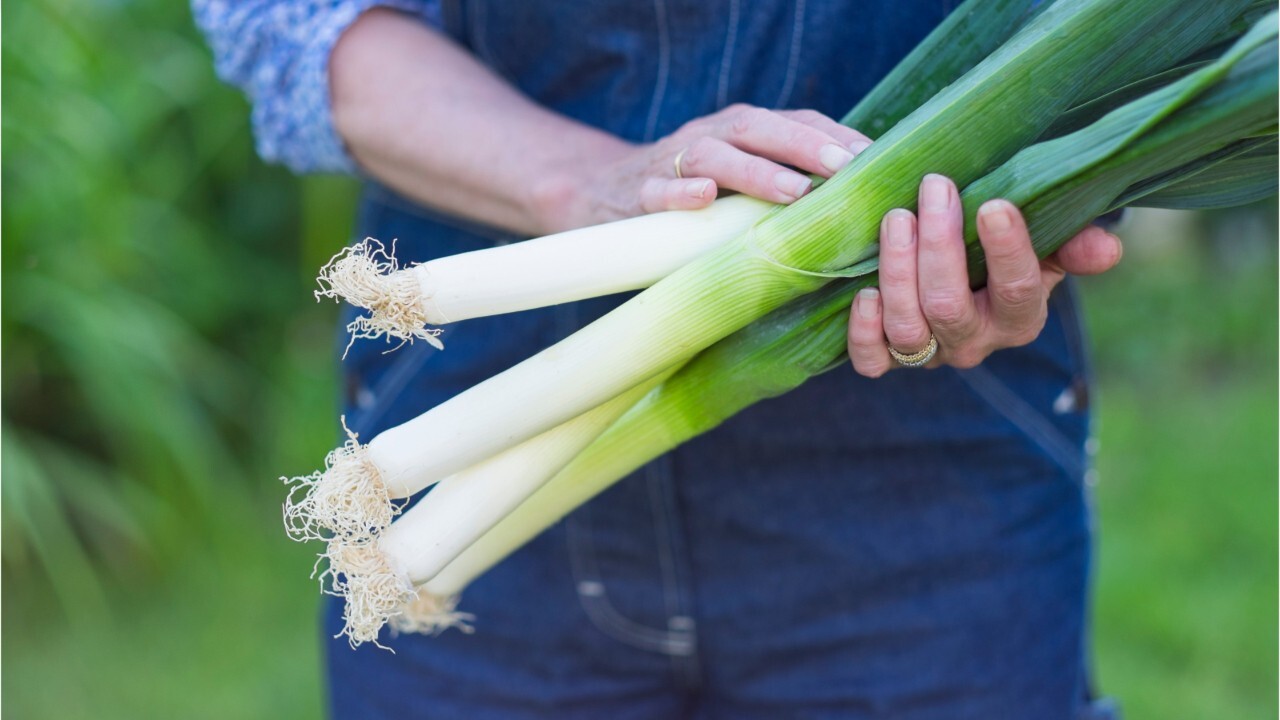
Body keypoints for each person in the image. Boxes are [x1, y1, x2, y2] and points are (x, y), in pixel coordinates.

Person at [195, 1, 1125, 717]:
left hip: (934, 463)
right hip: (472, 383)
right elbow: (291, 19)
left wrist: (1042, 198)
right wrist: (577, 178)